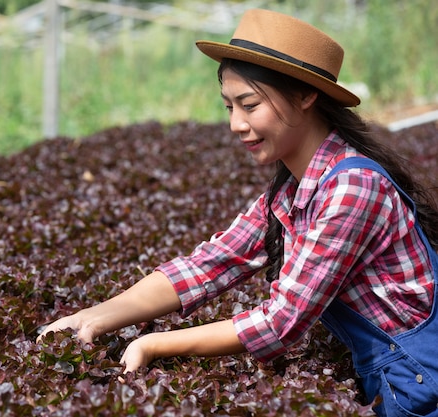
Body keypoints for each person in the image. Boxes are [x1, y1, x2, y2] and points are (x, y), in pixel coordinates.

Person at [38, 8, 438, 416]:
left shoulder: (353, 188)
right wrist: (93, 317)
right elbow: (209, 265)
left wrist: (152, 343)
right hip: (395, 379)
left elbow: (281, 323)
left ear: (305, 95)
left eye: (249, 104)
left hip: (419, 386)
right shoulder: (291, 191)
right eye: (229, 107)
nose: (235, 124)